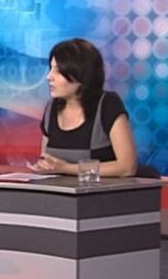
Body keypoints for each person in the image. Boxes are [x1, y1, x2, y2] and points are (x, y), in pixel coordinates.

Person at [29, 38, 137, 177]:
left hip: (98, 190)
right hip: (58, 190)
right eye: (51, 69)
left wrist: (67, 168)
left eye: (58, 71)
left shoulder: (107, 105)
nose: (49, 77)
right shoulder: (51, 108)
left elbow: (127, 167)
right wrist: (43, 166)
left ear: (81, 75)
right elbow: (47, 161)